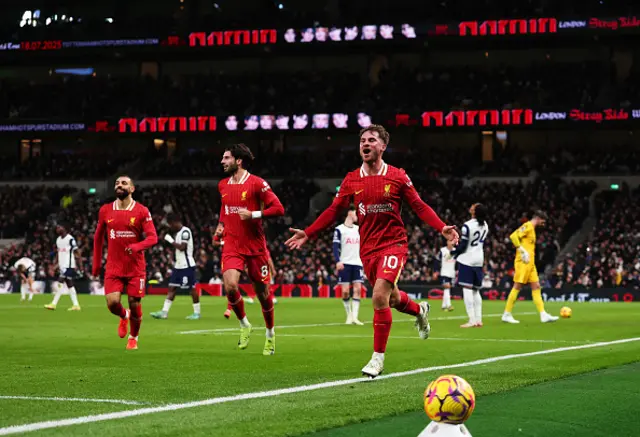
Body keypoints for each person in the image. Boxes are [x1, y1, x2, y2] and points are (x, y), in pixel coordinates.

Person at [286, 125, 458, 378]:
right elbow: (334, 210)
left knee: (378, 296)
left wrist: (442, 227)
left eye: (372, 140)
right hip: (367, 250)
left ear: (382, 146)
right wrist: (309, 232)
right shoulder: (351, 179)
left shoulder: (398, 176)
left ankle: (377, 359)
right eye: (362, 140)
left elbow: (419, 206)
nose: (365, 144)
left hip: (393, 244)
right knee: (393, 300)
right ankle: (420, 311)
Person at [218, 143, 285, 355]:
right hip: (232, 245)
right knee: (230, 286)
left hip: (255, 247)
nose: (222, 161)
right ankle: (245, 324)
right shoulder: (222, 185)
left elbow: (279, 208)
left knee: (263, 294)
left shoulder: (257, 184)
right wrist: (220, 225)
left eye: (226, 158)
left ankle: (270, 334)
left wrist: (254, 214)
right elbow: (225, 207)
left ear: (238, 161)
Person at [92, 175, 158, 350]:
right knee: (112, 303)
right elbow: (98, 238)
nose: (119, 185)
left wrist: (137, 246)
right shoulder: (105, 210)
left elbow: (153, 238)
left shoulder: (142, 211)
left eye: (124, 183)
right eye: (117, 183)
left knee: (135, 304)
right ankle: (123, 316)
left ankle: (133, 337)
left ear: (132, 189)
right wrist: (96, 264)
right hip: (114, 267)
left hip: (135, 267)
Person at [502, 210, 559, 324]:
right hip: (523, 262)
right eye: (543, 221)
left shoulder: (532, 229)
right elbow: (513, 236)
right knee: (517, 286)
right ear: (538, 218)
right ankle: (506, 314)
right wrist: (522, 250)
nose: (543, 224)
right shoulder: (527, 226)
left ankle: (543, 314)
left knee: (536, 286)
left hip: (530, 263)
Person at [151, 213, 200, 320]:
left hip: (187, 265)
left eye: (170, 224)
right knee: (172, 288)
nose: (170, 227)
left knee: (191, 289)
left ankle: (197, 313)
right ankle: (164, 312)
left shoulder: (185, 232)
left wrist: (170, 241)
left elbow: (182, 247)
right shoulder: (178, 233)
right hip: (178, 266)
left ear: (174, 222)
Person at [453, 203, 489, 327]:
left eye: (473, 206)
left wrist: (454, 251)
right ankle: (479, 319)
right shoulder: (485, 225)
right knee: (476, 290)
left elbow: (463, 245)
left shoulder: (467, 225)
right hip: (479, 259)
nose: (471, 206)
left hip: (467, 259)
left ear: (474, 211)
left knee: (467, 289)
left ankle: (471, 320)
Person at [333, 206, 364, 325]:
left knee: (357, 289)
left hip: (357, 263)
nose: (358, 215)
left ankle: (355, 318)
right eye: (356, 213)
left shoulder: (358, 229)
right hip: (344, 263)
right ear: (350, 213)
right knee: (345, 291)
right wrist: (337, 260)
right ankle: (349, 315)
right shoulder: (339, 229)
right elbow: (335, 246)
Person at [45, 221, 82, 311]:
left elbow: (77, 252)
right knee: (70, 284)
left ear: (64, 228)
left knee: (60, 282)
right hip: (62, 266)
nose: (57, 229)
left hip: (69, 265)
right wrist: (55, 264)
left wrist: (80, 265)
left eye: (59, 227)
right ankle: (76, 305)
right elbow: (59, 252)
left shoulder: (70, 239)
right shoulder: (58, 240)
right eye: (57, 228)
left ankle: (53, 303)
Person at [436, 240, 456, 312]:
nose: (451, 243)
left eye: (452, 241)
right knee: (447, 287)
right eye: (449, 241)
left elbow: (458, 261)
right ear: (447, 242)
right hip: (444, 272)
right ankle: (449, 305)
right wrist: (436, 271)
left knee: (447, 289)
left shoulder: (455, 251)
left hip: (452, 273)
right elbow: (437, 260)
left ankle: (443, 306)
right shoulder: (442, 250)